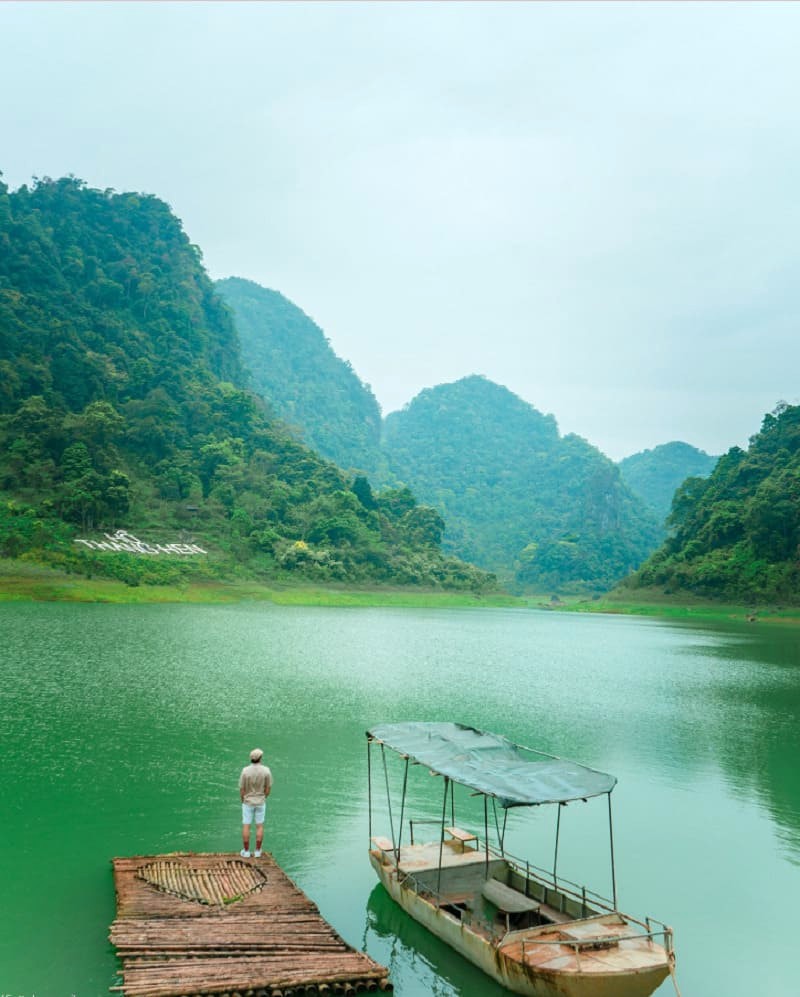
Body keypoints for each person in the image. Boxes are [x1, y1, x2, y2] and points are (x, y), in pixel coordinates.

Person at [239, 747, 272, 858]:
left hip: (248, 801)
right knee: (259, 826)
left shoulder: (245, 771)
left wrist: (242, 800)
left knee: (246, 825)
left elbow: (242, 789)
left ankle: (246, 851)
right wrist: (263, 797)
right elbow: (268, 788)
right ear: (260, 758)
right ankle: (257, 851)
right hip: (260, 801)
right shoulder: (266, 770)